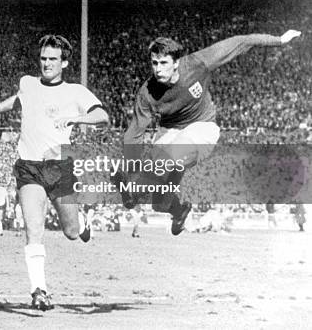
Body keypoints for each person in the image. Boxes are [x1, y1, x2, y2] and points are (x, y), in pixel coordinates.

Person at [121, 30, 302, 235]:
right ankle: (179, 211)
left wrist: (278, 39)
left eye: (163, 63)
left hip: (202, 127)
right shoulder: (147, 93)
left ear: (177, 62)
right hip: (170, 132)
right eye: (154, 63)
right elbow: (133, 134)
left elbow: (239, 41)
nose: (158, 69)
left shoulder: (198, 63)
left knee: (167, 158)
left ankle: (137, 190)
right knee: (159, 203)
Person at [0, 34, 109, 311]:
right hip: (29, 167)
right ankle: (39, 291)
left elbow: (103, 116)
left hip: (59, 168)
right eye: (43, 58)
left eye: (53, 59)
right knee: (33, 229)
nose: (46, 64)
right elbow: (19, 100)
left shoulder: (75, 92)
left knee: (71, 231)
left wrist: (76, 117)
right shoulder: (28, 82)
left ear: (65, 62)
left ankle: (82, 223)